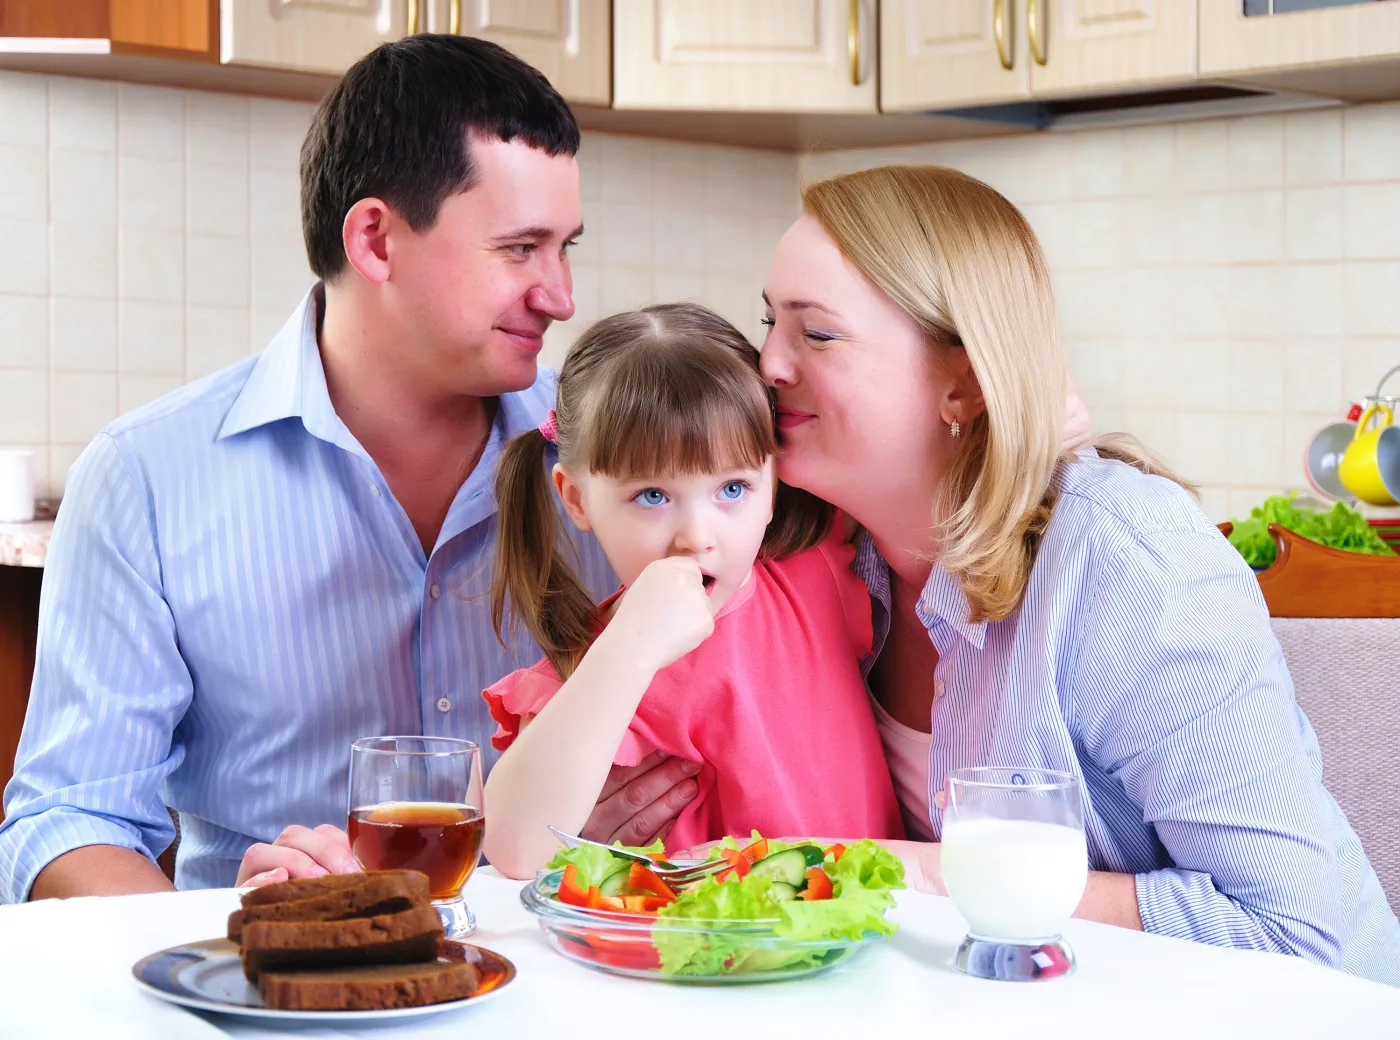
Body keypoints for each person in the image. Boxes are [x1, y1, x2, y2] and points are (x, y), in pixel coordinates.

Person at [0, 35, 703, 902]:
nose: (559, 295)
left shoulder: (631, 467)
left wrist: (565, 843)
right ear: (375, 239)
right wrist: (226, 948)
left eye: (566, 248)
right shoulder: (146, 477)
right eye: (521, 249)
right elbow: (71, 819)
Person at [749, 163, 1400, 984]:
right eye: (768, 321)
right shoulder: (826, 559)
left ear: (963, 381)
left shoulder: (1126, 560)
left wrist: (911, 872)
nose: (766, 363)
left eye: (817, 333)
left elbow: (1292, 932)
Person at [478, 304, 905, 877]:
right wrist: (627, 652)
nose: (697, 537)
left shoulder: (814, 569)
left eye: (733, 488)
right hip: (704, 960)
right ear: (576, 499)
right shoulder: (600, 673)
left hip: (869, 946)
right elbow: (512, 846)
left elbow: (911, 435)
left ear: (774, 481)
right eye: (653, 496)